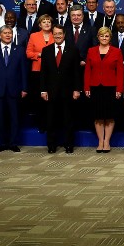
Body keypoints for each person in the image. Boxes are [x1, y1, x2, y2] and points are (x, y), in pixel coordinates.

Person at [0, 26, 28, 152]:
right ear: (0, 35)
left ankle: (13, 143)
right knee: (0, 118)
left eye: (10, 33)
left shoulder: (19, 50)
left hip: (15, 90)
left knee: (14, 118)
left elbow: (23, 71)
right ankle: (3, 143)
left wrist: (24, 88)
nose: (8, 35)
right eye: (5, 33)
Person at [40, 25, 82, 153]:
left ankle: (69, 144)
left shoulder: (73, 50)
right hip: (51, 91)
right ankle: (51, 145)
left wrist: (77, 89)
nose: (58, 36)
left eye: (60, 34)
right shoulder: (46, 50)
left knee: (68, 119)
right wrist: (43, 90)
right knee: (51, 120)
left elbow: (76, 72)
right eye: (55, 34)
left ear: (64, 35)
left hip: (68, 91)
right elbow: (43, 73)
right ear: (52, 34)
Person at [84, 27, 124, 153]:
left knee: (109, 116)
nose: (104, 38)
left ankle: (107, 141)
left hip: (111, 88)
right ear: (98, 37)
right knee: (98, 116)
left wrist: (119, 89)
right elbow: (87, 71)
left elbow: (120, 72)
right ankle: (100, 141)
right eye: (102, 36)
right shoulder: (91, 51)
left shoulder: (117, 51)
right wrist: (86, 87)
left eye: (106, 36)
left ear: (110, 37)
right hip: (95, 87)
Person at [25, 14, 54, 132]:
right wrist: (40, 55)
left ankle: (51, 123)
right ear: (39, 24)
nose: (47, 23)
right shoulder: (34, 36)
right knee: (39, 100)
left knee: (51, 99)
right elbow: (28, 53)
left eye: (49, 21)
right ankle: (42, 124)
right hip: (37, 71)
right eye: (44, 22)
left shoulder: (56, 35)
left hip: (52, 72)